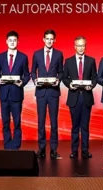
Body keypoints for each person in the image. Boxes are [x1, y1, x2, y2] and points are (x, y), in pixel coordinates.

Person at [31, 29, 64, 159]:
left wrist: (58, 80)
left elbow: (61, 72)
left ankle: (54, 149)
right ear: (43, 39)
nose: (49, 41)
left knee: (54, 122)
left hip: (53, 92)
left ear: (54, 40)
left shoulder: (59, 54)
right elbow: (33, 71)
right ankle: (42, 148)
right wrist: (35, 80)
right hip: (41, 92)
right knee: (41, 122)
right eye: (47, 39)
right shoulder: (37, 54)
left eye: (51, 39)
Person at [0, 30, 31, 150]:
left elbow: (27, 75)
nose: (12, 42)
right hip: (4, 94)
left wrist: (22, 82)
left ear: (18, 42)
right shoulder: (0, 56)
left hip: (17, 93)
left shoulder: (23, 57)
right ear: (6, 42)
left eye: (14, 40)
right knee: (5, 122)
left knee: (17, 122)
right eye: (10, 40)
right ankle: (7, 145)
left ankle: (15, 146)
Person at [62, 36, 97, 158]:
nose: (81, 48)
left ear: (85, 47)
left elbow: (95, 77)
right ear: (74, 47)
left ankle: (85, 150)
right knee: (75, 126)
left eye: (83, 45)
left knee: (85, 126)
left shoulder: (91, 61)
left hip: (86, 97)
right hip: (74, 97)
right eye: (78, 46)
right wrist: (70, 85)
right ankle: (74, 150)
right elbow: (64, 78)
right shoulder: (68, 61)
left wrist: (91, 86)